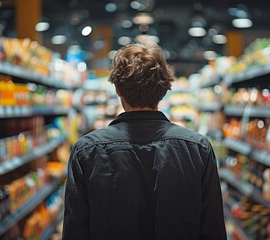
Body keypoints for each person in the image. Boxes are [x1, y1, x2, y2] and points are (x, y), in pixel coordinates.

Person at [62, 42, 227, 240]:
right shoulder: (198, 149)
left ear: (118, 91)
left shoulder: (86, 152)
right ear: (164, 90)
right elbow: (213, 230)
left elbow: (75, 232)